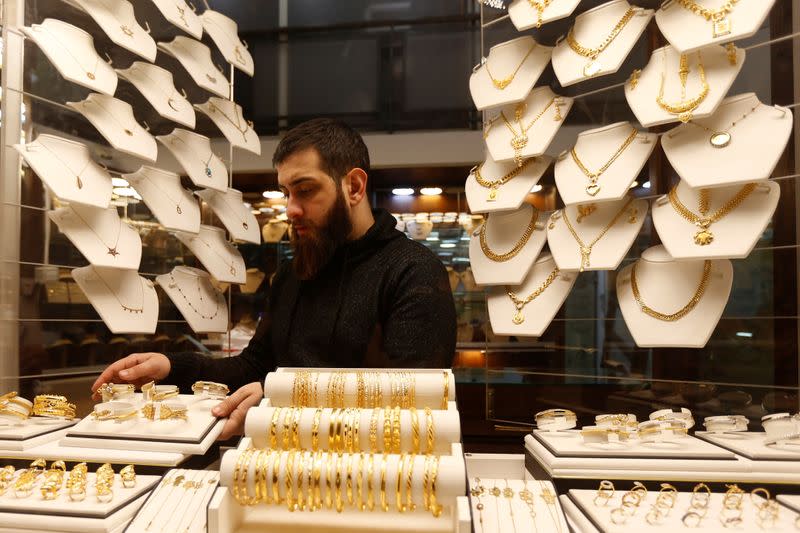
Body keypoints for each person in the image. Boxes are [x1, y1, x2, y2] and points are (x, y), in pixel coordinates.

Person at [91, 118, 457, 439]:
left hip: (373, 479)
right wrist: (171, 367)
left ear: (355, 187)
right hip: (278, 463)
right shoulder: (293, 275)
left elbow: (412, 399)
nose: (291, 209)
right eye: (286, 192)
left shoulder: (413, 272)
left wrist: (278, 397)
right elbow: (253, 367)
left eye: (306, 190)